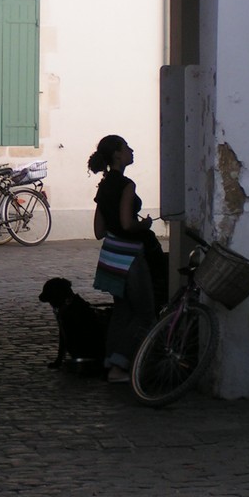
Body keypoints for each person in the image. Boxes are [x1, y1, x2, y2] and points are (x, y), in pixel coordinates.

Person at [88, 135, 166, 379]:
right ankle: (120, 365)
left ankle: (111, 360)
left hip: (110, 255)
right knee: (145, 312)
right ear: (117, 154)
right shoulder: (126, 185)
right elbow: (127, 224)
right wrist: (145, 225)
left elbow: (99, 231)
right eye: (127, 148)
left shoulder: (103, 186)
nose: (132, 151)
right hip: (129, 255)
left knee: (122, 311)